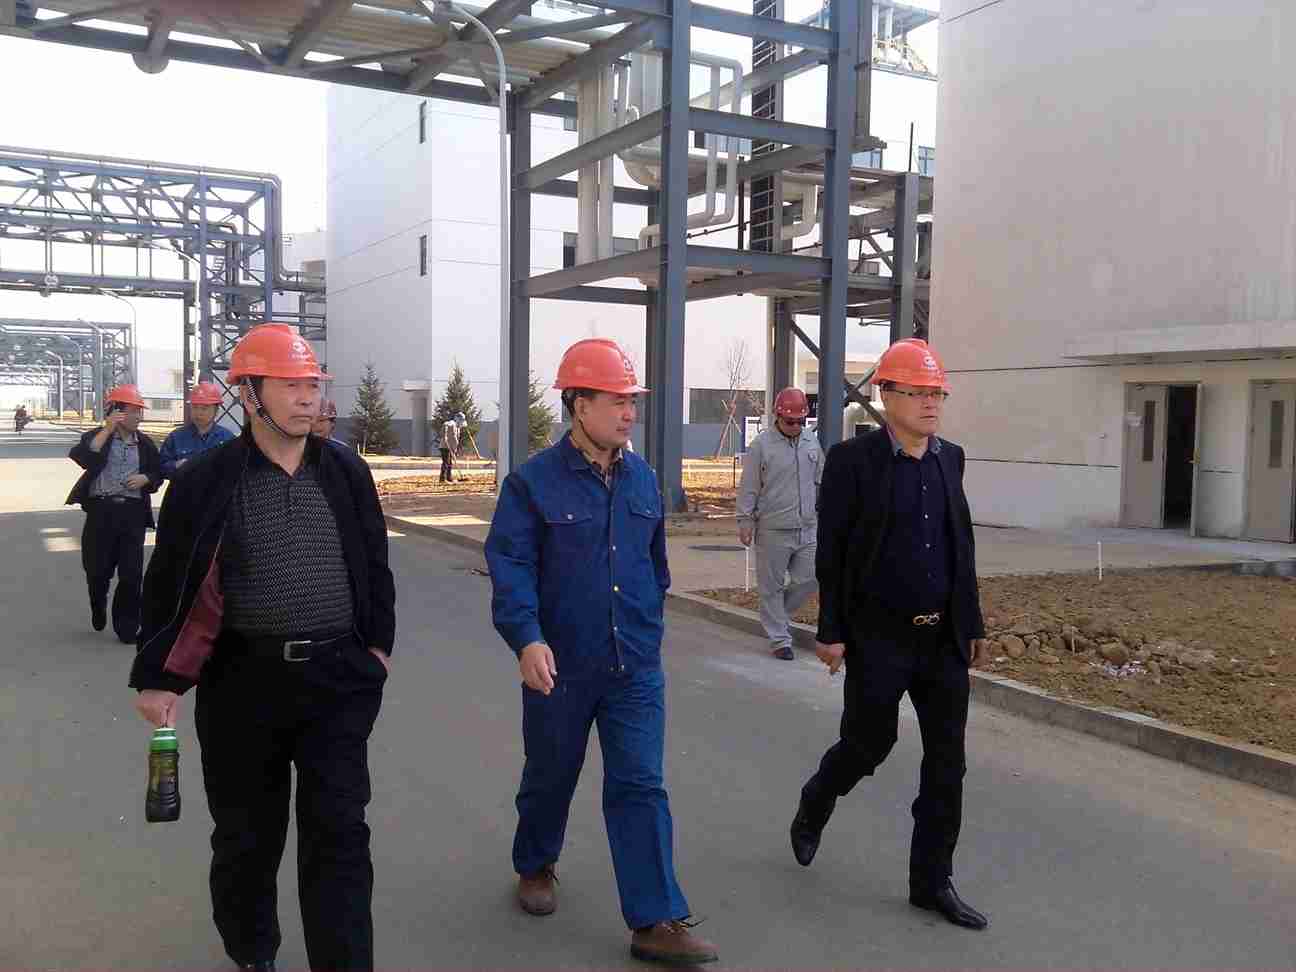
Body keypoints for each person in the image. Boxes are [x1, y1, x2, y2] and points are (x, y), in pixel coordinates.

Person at [129, 323, 395, 972]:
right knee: (246, 838)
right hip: (241, 684)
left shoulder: (346, 472)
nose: (309, 398)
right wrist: (159, 675)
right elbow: (170, 581)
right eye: (291, 386)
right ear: (248, 394)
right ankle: (253, 952)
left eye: (313, 385)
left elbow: (374, 568)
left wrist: (377, 651)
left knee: (340, 833)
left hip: (337, 681)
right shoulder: (205, 481)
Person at [484, 338, 718, 965]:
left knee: (640, 784)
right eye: (615, 400)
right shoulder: (531, 484)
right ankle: (536, 864)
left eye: (631, 401)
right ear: (578, 404)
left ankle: (655, 918)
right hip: (559, 667)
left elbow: (655, 568)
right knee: (551, 774)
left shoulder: (643, 479)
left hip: (633, 666)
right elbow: (510, 567)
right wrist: (527, 638)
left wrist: (647, 627)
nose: (628, 412)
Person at [788, 338, 991, 931]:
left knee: (947, 764)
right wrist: (831, 631)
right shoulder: (853, 462)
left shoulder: (950, 459)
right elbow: (833, 551)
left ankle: (931, 881)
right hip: (880, 638)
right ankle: (818, 797)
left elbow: (961, 545)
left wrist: (972, 621)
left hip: (942, 640)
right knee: (867, 744)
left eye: (938, 394)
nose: (931, 404)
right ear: (886, 396)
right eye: (918, 392)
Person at [66, 384, 162, 642]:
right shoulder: (98, 437)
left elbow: (157, 472)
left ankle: (127, 627)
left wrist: (146, 478)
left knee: (131, 574)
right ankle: (97, 602)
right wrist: (108, 429)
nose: (139, 417)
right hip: (101, 512)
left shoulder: (145, 444)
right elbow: (84, 457)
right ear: (117, 412)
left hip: (132, 514)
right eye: (133, 411)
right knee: (97, 571)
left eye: (140, 411)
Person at [736, 387, 823, 660]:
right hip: (772, 528)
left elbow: (822, 479)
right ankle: (780, 640)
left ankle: (776, 617)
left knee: (811, 577)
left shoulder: (811, 441)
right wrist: (745, 520)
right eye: (790, 421)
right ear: (778, 416)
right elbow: (749, 486)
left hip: (807, 527)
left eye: (800, 421)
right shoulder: (761, 446)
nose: (795, 426)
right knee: (771, 587)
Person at [159, 382, 236, 478]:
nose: (198, 413)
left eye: (204, 408)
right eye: (195, 407)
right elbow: (159, 469)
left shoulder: (228, 439)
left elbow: (237, 470)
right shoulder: (175, 437)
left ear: (216, 411)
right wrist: (175, 465)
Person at [439, 413, 459, 483]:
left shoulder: (457, 427)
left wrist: (454, 449)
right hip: (445, 446)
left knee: (450, 463)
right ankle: (442, 479)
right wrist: (445, 434)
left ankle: (449, 477)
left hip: (449, 447)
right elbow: (446, 424)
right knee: (446, 462)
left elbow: (455, 439)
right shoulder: (452, 423)